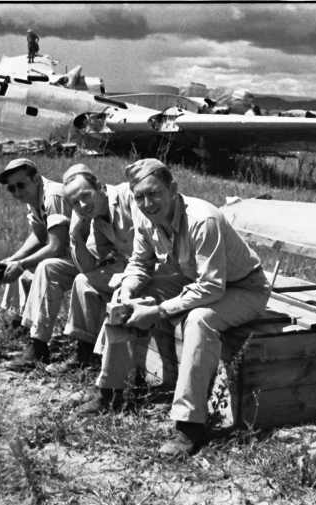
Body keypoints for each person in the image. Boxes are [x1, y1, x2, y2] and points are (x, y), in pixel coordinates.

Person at [82, 159, 271, 457]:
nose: (147, 203)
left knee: (198, 320)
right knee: (123, 294)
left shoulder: (202, 219)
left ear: (173, 189)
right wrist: (128, 291)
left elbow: (212, 287)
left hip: (243, 288)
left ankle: (190, 425)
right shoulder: (145, 217)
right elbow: (141, 263)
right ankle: (111, 391)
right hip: (193, 279)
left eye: (154, 193)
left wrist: (158, 311)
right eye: (140, 196)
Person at [44, 164, 137, 373]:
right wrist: (74, 233)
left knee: (119, 289)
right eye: (75, 202)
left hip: (155, 269)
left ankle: (112, 373)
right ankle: (84, 354)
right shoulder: (98, 221)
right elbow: (88, 266)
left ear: (100, 187)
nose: (83, 205)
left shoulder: (127, 197)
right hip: (132, 267)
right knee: (83, 281)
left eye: (86, 195)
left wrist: (130, 274)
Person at [0, 159, 80, 371]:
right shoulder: (34, 197)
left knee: (45, 269)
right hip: (72, 253)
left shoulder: (53, 195)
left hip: (89, 256)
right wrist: (14, 260)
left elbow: (56, 247)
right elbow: (39, 235)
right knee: (17, 267)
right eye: (11, 188)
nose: (17, 191)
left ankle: (38, 347)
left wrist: (22, 264)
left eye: (21, 184)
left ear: (35, 179)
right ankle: (20, 324)